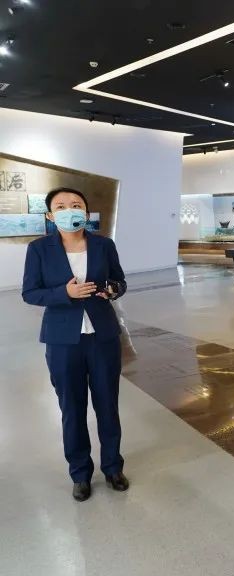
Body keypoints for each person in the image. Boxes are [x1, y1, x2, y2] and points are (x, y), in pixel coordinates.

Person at [21, 187, 129, 502]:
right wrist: (63, 293)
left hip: (103, 337)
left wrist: (113, 290)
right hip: (62, 341)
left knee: (108, 405)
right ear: (50, 215)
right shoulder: (39, 249)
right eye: (61, 206)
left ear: (85, 211)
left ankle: (113, 467)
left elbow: (120, 281)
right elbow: (30, 292)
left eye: (76, 204)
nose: (70, 210)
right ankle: (80, 474)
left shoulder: (104, 245)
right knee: (72, 408)